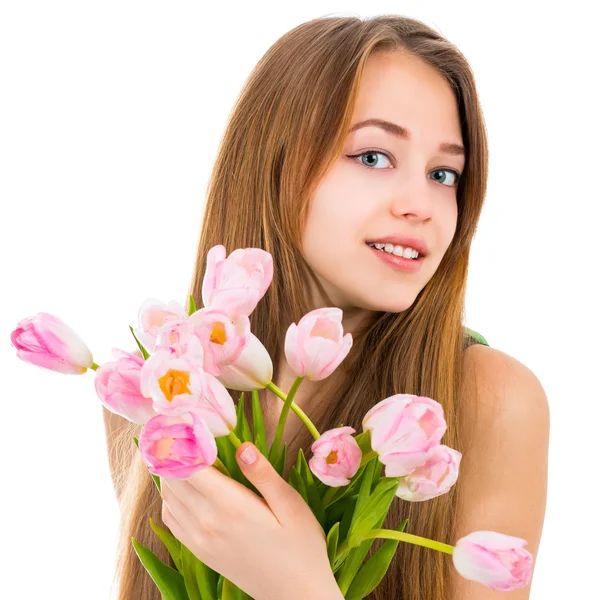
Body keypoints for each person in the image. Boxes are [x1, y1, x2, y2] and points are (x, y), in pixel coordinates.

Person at [104, 14, 549, 600]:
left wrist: (299, 588)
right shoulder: (162, 390)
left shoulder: (488, 398)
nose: (422, 204)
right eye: (373, 157)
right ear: (276, 163)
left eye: (444, 173)